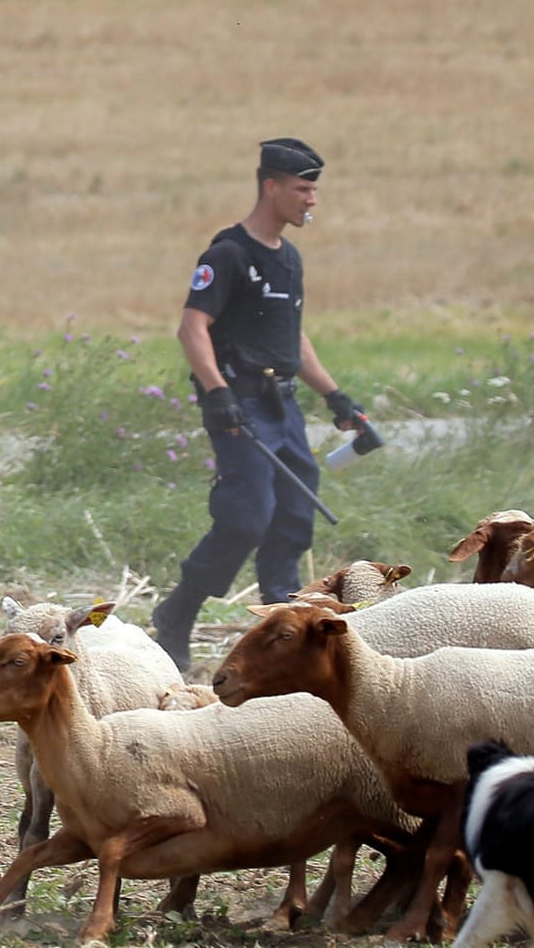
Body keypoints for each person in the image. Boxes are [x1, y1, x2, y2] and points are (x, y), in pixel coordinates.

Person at [150, 138, 367, 671]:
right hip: (239, 404)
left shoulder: (288, 260)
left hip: (283, 405)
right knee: (247, 518)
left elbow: (292, 341)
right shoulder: (228, 254)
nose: (311, 200)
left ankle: (282, 634)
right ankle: (177, 613)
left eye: (314, 190)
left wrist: (336, 397)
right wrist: (218, 393)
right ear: (271, 187)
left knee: (294, 516)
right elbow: (192, 327)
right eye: (302, 189)